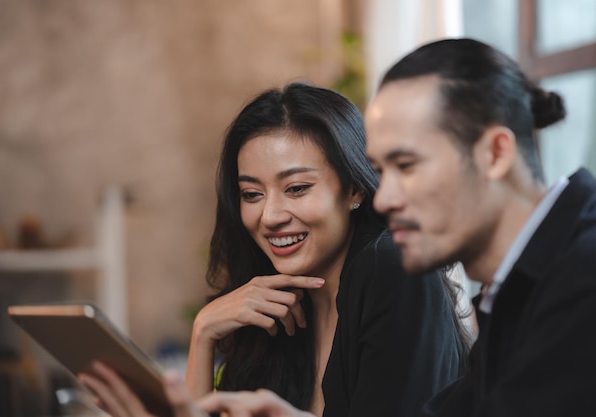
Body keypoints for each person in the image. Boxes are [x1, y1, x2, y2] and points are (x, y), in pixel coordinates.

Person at [169, 37, 596, 417]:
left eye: (406, 165)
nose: (386, 197)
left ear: (495, 153)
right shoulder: (514, 295)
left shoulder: (581, 276)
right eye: (381, 170)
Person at [79, 82, 469, 417]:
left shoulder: (392, 267)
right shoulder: (274, 313)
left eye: (297, 188)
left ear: (354, 189)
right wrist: (204, 333)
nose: (269, 216)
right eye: (251, 194)